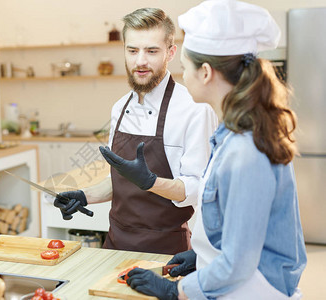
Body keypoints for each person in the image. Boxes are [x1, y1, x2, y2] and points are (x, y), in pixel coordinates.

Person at [123, 0, 307, 299]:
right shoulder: (230, 137)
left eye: (185, 67)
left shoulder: (247, 151)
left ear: (206, 72)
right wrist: (201, 255)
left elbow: (238, 265)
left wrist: (175, 291)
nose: (182, 76)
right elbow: (239, 229)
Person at [53, 7, 217, 254]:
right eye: (132, 50)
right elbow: (122, 180)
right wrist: (85, 196)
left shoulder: (194, 109)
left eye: (152, 51)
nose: (140, 61)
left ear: (170, 53)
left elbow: (197, 188)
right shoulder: (120, 108)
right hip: (115, 244)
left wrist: (151, 182)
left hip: (166, 250)